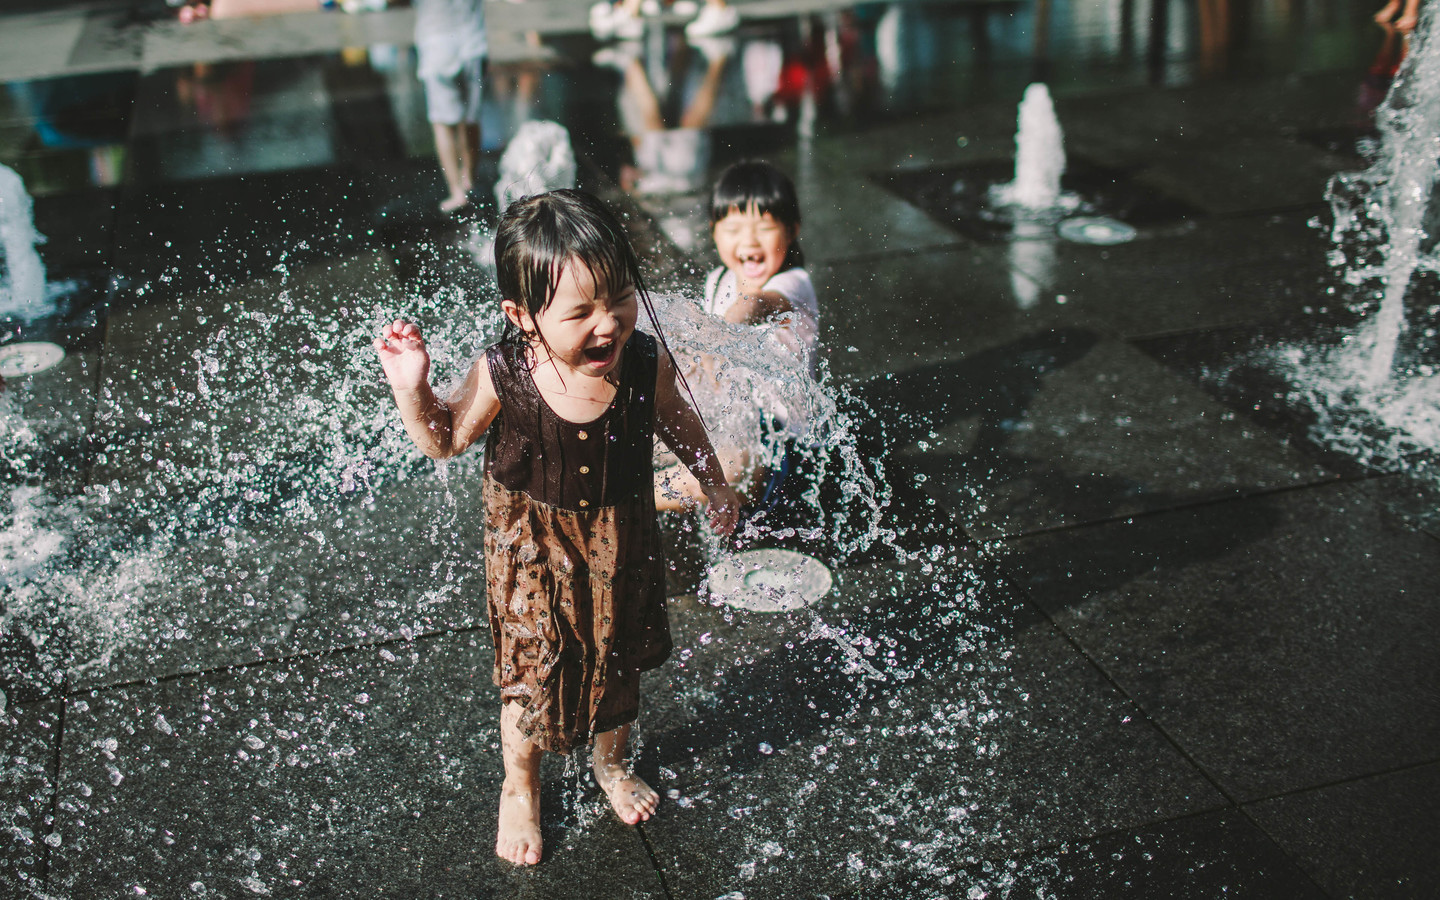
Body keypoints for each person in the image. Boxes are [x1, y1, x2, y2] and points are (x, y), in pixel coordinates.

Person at [374, 189, 740, 866]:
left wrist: (714, 478)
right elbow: (445, 438)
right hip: (533, 554)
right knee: (534, 677)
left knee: (619, 661)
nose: (608, 324)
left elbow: (679, 421)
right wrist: (412, 388)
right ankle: (520, 784)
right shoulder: (505, 370)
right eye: (580, 312)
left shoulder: (642, 362)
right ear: (523, 315)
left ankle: (611, 760)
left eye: (620, 298)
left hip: (620, 543)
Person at [655, 159, 817, 511]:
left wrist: (726, 327)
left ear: (791, 231)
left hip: (781, 442)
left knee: (728, 469)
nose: (748, 240)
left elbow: (755, 303)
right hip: (727, 418)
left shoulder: (794, 285)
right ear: (714, 231)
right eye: (733, 229)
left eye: (763, 227)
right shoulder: (718, 281)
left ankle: (628, 500)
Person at [415, 0, 487, 212]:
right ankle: (469, 178)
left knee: (442, 124)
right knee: (471, 119)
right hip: (472, 43)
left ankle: (456, 191)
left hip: (435, 43)